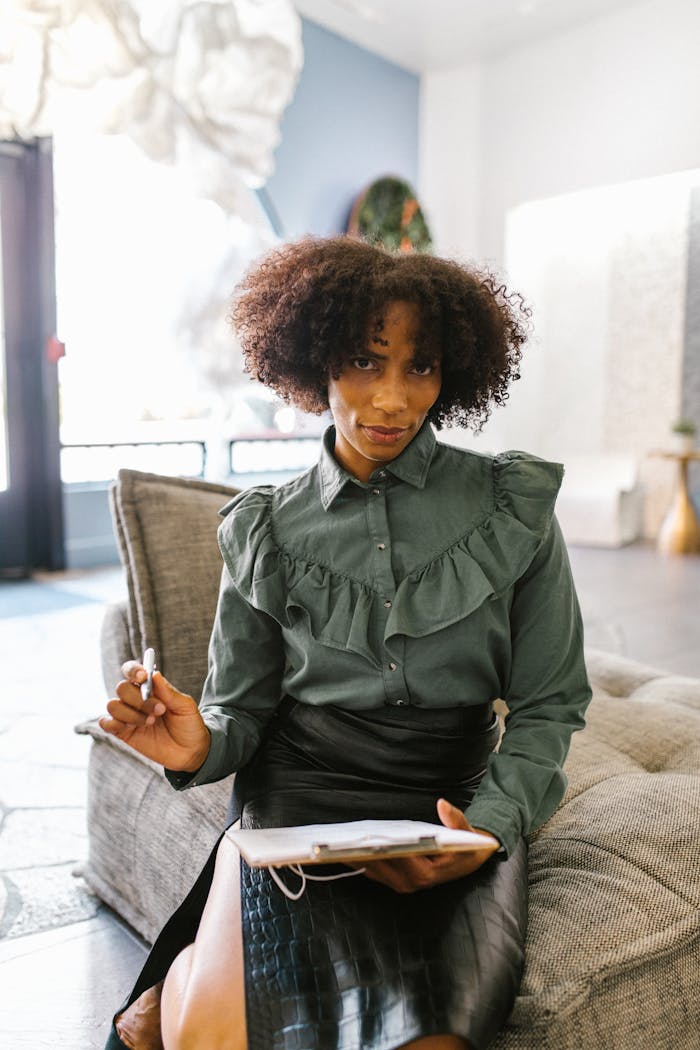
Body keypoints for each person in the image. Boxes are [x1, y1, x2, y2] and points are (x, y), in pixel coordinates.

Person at [101, 236, 592, 1050]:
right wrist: (199, 740)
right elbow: (241, 712)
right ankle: (174, 993)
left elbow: (549, 705)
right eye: (365, 363)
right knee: (215, 1033)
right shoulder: (261, 527)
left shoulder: (514, 506)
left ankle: (161, 999)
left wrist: (488, 825)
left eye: (421, 366)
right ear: (315, 362)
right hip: (300, 792)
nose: (394, 400)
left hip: (453, 808)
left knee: (434, 1039)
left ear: (454, 372)